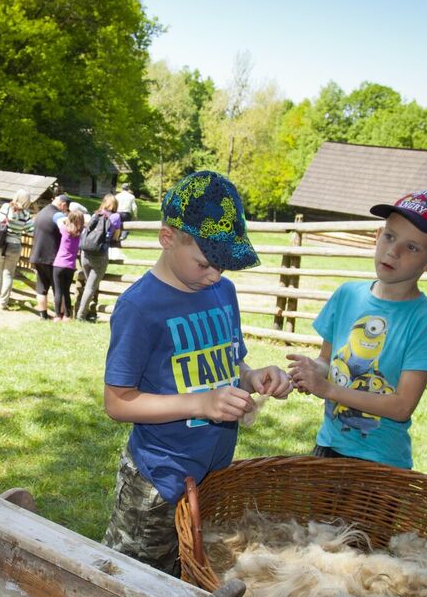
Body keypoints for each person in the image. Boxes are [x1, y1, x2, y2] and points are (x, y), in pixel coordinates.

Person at [102, 171, 292, 576]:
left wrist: (251, 377)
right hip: (157, 479)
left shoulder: (222, 293)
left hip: (210, 473)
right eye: (206, 263)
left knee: (187, 571)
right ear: (167, 237)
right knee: (134, 578)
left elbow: (229, 363)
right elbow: (117, 402)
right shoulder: (140, 307)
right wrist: (200, 403)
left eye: (223, 266)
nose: (216, 276)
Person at [288, 190, 427, 469]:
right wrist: (310, 372)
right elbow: (326, 362)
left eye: (412, 247)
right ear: (378, 235)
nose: (393, 251)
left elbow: (401, 407)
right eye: (390, 236)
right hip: (328, 447)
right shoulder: (347, 295)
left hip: (380, 463)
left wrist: (328, 389)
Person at [76, 194, 120, 322]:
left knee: (88, 285)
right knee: (91, 286)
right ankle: (81, 315)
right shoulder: (115, 217)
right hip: (99, 255)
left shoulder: (97, 214)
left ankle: (89, 311)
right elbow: (116, 236)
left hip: (85, 253)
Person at [0, 189, 34, 310]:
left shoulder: (5, 207)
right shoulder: (25, 214)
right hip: (14, 245)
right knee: (8, 274)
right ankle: (3, 303)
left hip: (0, 243)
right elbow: (30, 231)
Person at [29, 194, 70, 320]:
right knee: (59, 288)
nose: (65, 211)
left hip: (37, 255)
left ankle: (43, 315)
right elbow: (67, 231)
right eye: (66, 208)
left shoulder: (41, 213)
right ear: (63, 205)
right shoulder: (58, 216)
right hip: (52, 257)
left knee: (41, 288)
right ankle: (61, 314)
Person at [52, 209, 85, 321]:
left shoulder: (64, 229)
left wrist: (68, 219)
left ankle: (57, 316)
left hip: (59, 264)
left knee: (58, 291)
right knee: (66, 291)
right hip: (70, 265)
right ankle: (67, 315)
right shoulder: (80, 233)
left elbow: (57, 217)